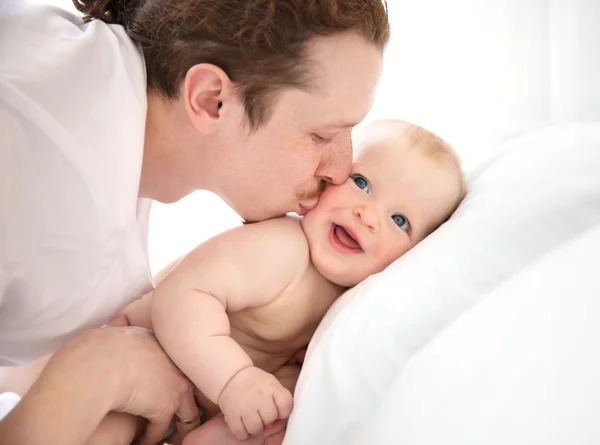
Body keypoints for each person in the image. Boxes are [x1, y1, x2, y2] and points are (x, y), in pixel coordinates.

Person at [0, 0, 390, 443]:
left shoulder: (82, 92)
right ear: (211, 99)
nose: (341, 169)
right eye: (322, 135)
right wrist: (92, 373)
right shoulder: (25, 183)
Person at [68, 119, 466, 445]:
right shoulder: (283, 248)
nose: (367, 214)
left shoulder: (348, 308)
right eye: (362, 183)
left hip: (183, 409)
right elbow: (180, 296)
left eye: (400, 220)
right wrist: (234, 381)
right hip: (132, 364)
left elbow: (279, 378)